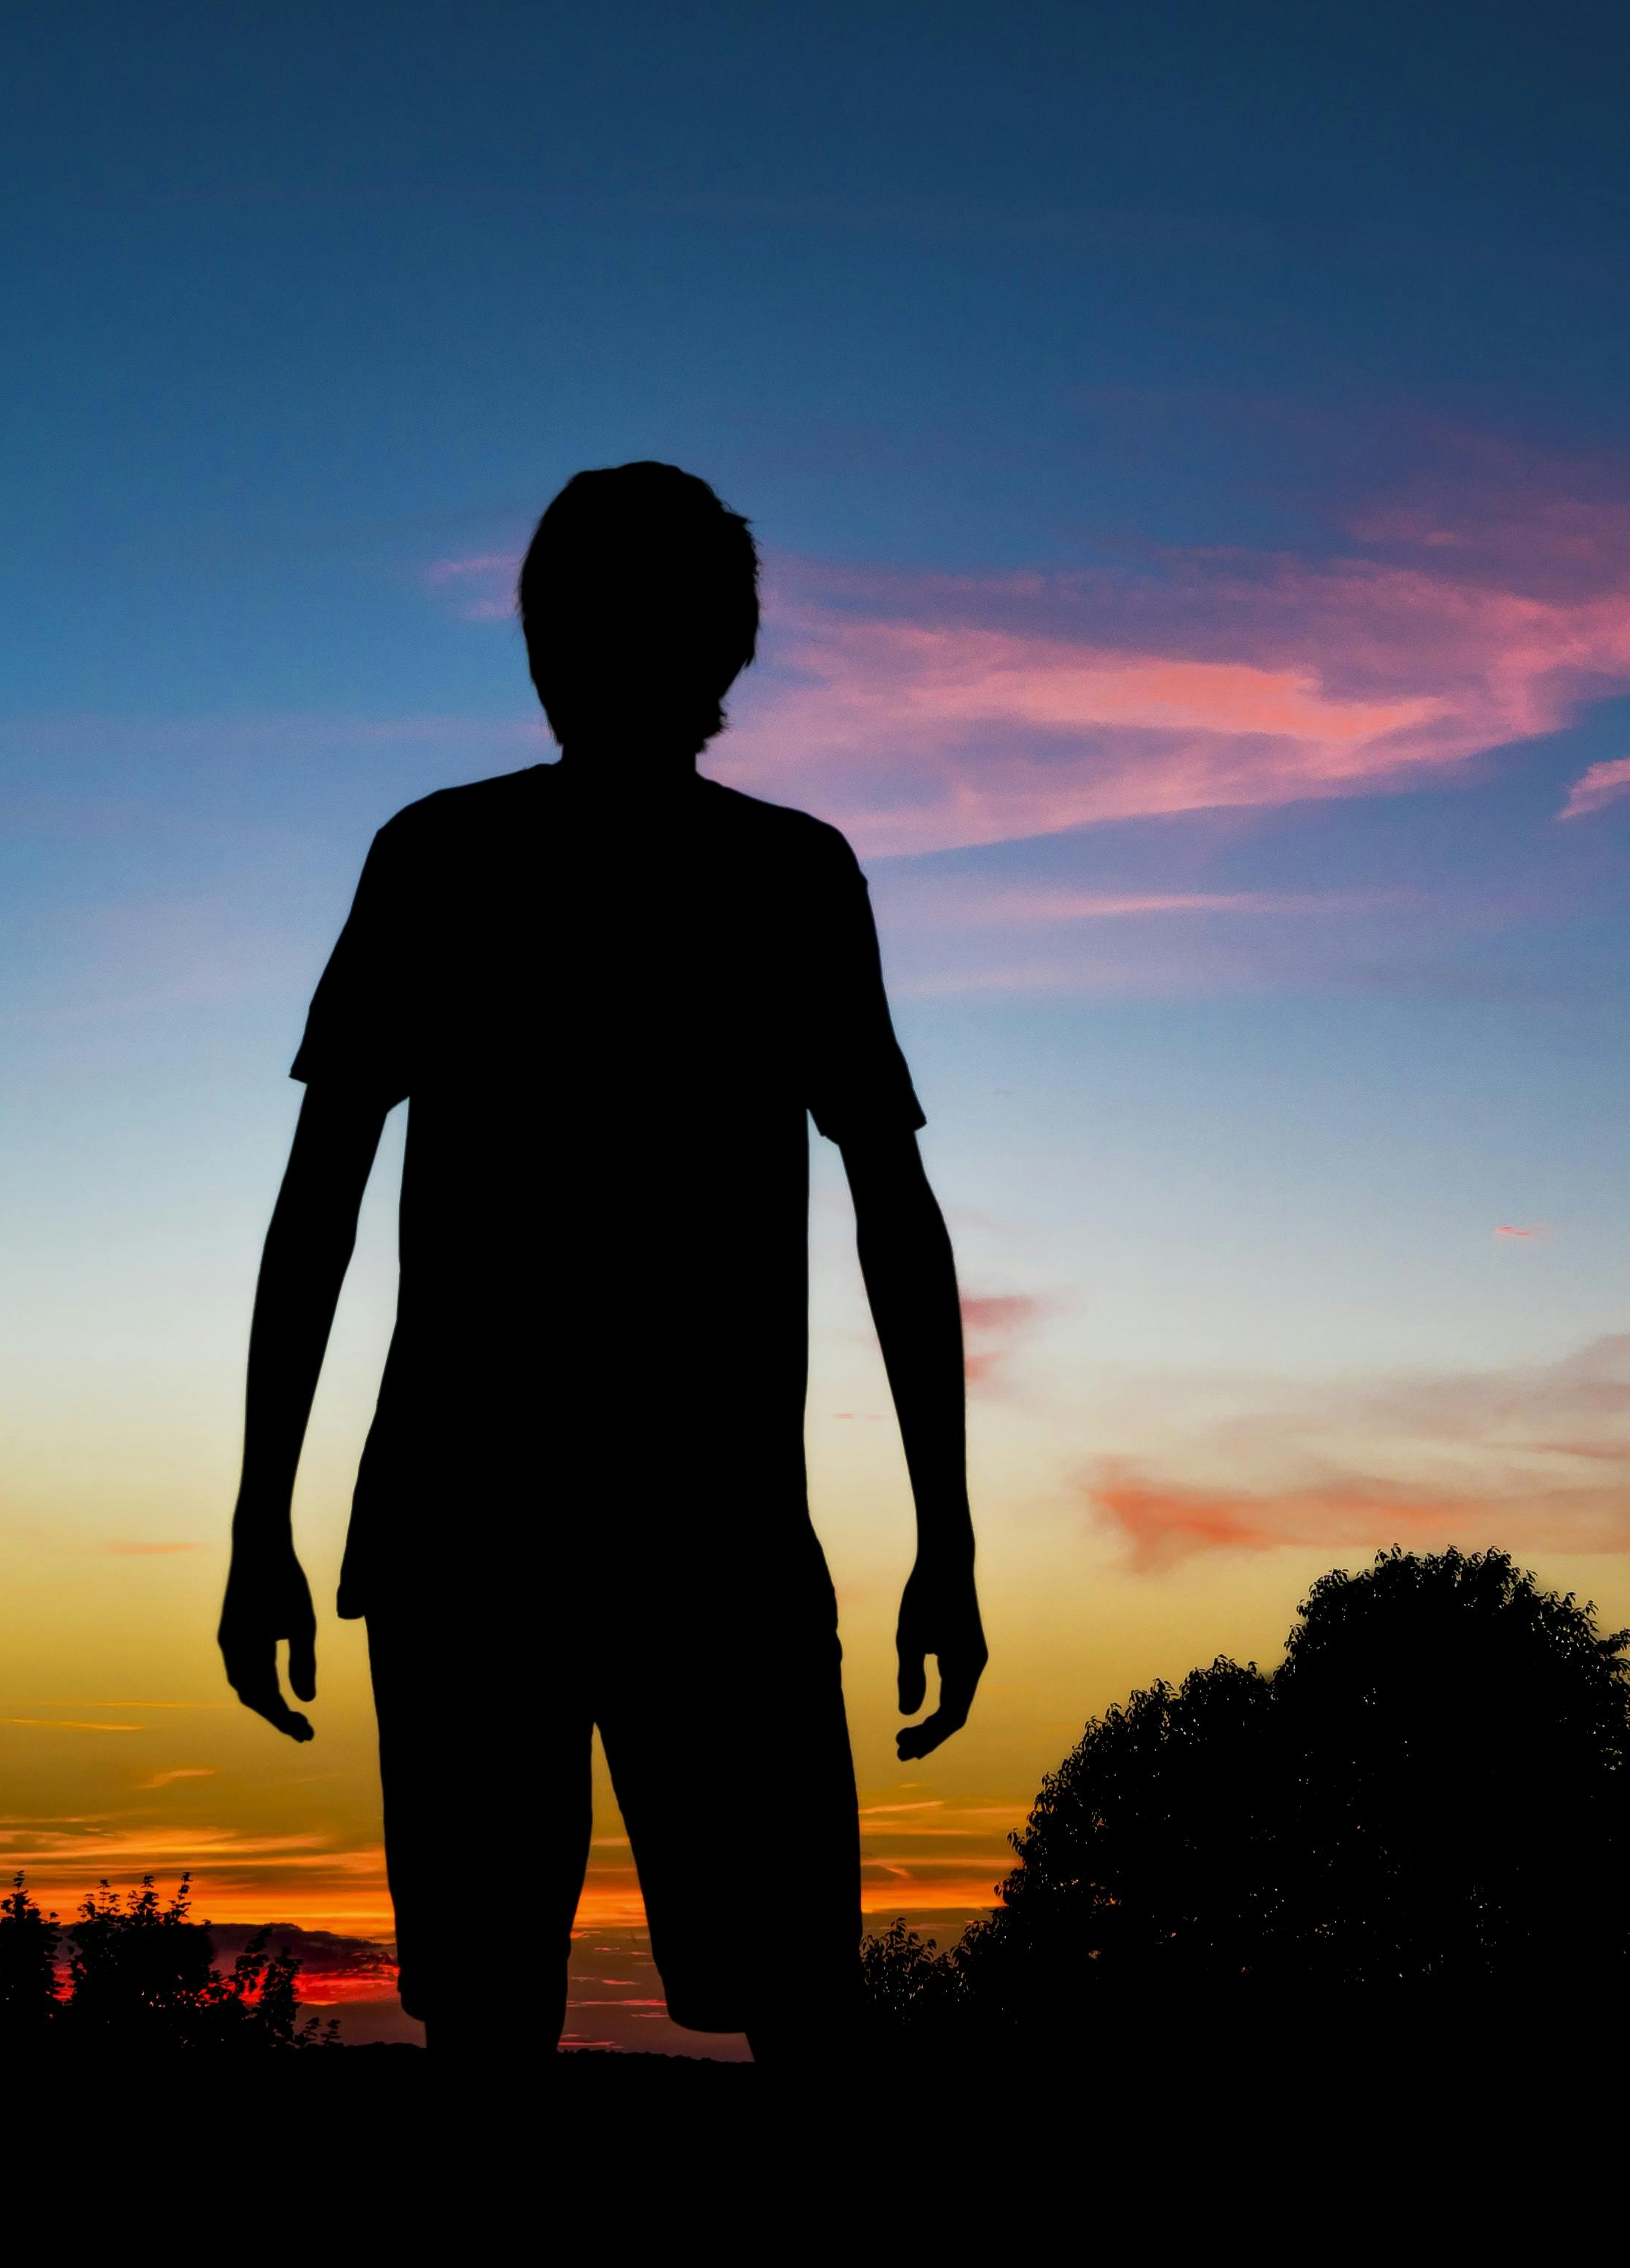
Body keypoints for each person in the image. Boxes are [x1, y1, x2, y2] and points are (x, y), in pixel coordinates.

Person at [215, 461, 984, 2064]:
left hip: (565, 1538)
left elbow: (319, 1212)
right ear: (736, 650)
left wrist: (262, 1517)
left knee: (598, 2011)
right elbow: (321, 1206)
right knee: (698, 2009)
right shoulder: (741, 873)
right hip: (600, 1540)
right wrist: (944, 1537)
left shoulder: (510, 860)